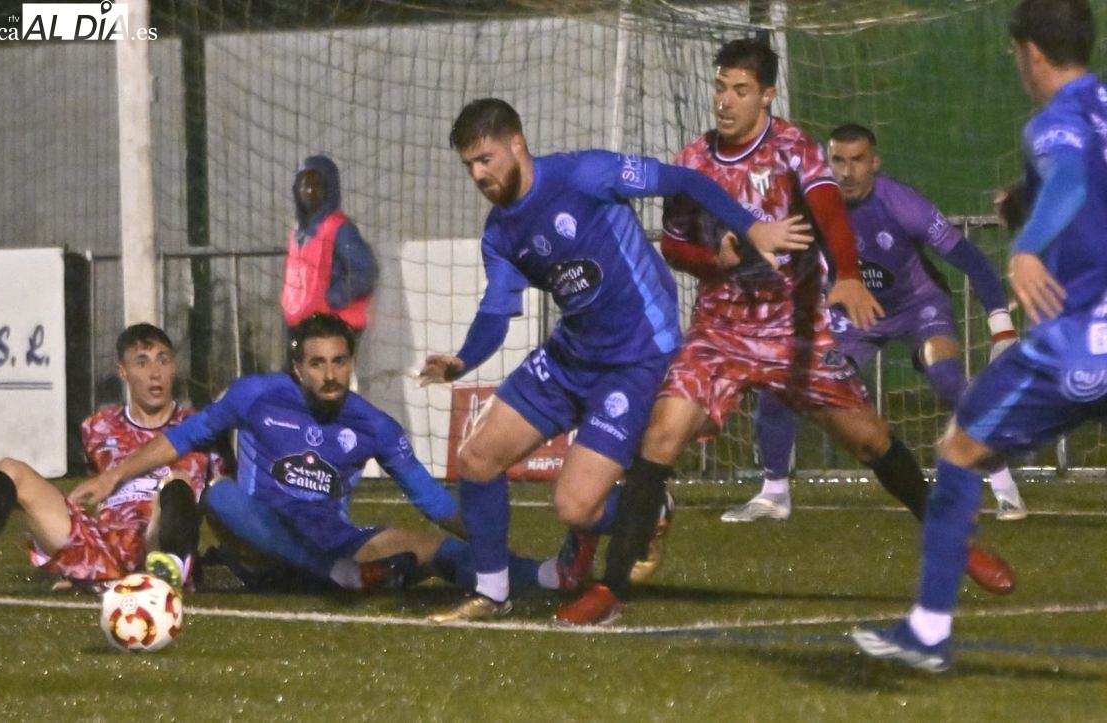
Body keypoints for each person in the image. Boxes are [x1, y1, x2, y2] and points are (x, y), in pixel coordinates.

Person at [558, 38, 1016, 625]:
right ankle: (611, 588)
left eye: (740, 90)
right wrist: (716, 260)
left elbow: (828, 209)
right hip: (720, 331)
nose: (725, 101)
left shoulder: (794, 149)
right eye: (720, 88)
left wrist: (847, 274)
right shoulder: (692, 161)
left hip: (793, 328)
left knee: (871, 440)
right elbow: (674, 245)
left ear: (767, 95)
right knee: (661, 437)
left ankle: (957, 543)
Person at [417, 97, 815, 623]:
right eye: (469, 165)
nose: (478, 174)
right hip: (571, 354)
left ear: (517, 144)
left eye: (485, 159)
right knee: (476, 457)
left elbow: (683, 180)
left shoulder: (585, 174)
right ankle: (492, 594)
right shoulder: (500, 233)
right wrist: (462, 361)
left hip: (636, 357)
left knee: (575, 507)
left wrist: (750, 226)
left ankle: (649, 509)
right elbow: (496, 311)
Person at [853, 0, 1107, 672]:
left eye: (1015, 52)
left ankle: (929, 631)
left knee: (961, 451)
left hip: (1078, 342)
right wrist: (1023, 200)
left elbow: (1071, 179)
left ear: (1031, 52)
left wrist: (1025, 246)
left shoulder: (1052, 122)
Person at [72, 312, 564, 596]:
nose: (330, 374)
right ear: (297, 367)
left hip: (337, 545)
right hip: (259, 545)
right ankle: (338, 576)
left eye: (340, 361)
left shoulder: (374, 426)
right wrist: (113, 476)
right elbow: (182, 438)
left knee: (438, 550)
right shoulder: (256, 396)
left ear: (352, 362)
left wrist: (492, 543)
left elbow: (432, 501)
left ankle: (547, 575)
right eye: (317, 363)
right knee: (219, 494)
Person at [730, 123, 1027, 524]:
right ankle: (774, 493)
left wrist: (1001, 327)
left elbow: (972, 260)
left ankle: (1003, 483)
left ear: (875, 163)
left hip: (919, 306)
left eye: (857, 160)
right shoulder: (812, 205)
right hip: (854, 313)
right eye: (838, 160)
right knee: (780, 383)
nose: (846, 172)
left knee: (946, 377)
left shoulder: (903, 204)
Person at [0, 323, 223, 600]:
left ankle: (170, 572)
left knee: (177, 481)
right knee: (11, 470)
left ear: (173, 368)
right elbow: (104, 496)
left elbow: (221, 494)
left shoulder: (200, 427)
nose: (155, 372)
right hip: (103, 546)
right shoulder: (98, 427)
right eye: (142, 362)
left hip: (154, 550)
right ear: (123, 371)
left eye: (163, 360)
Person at [282, 155, 378, 337]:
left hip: (332, 327)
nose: (309, 191)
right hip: (300, 324)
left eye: (316, 185)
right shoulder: (296, 232)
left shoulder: (340, 229)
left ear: (329, 188)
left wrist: (335, 297)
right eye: (304, 185)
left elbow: (366, 271)